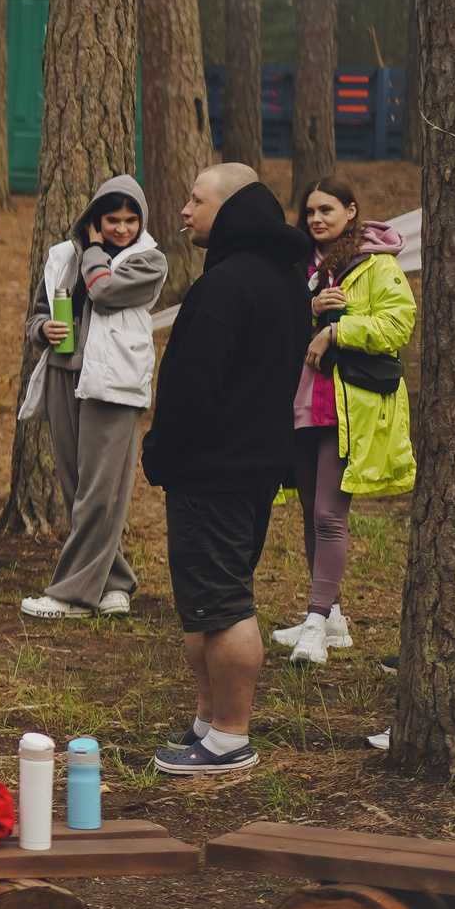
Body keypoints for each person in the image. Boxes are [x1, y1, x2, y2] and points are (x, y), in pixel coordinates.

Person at [141, 163, 309, 775]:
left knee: (225, 601)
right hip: (250, 466)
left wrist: (161, 451)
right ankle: (209, 721)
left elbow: (192, 390)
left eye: (196, 200)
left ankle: (230, 737)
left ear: (233, 210)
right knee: (207, 602)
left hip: (214, 469)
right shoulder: (284, 280)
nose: (184, 211)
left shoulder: (226, 286)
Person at [273, 177, 414, 666]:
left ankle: (315, 622)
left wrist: (337, 330)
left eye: (327, 209)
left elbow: (399, 323)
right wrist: (307, 309)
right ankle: (330, 618)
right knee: (312, 513)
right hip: (304, 404)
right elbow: (277, 323)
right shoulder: (299, 269)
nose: (317, 218)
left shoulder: (376, 264)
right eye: (310, 210)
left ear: (351, 212)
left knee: (330, 515)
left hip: (348, 406)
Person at [18, 176, 167, 621]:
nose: (122, 228)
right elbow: (37, 315)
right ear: (95, 219)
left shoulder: (149, 261)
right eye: (112, 219)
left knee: (100, 492)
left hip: (115, 383)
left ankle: (73, 595)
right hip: (66, 375)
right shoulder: (63, 257)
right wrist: (43, 330)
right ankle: (113, 582)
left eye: (130, 219)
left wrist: (95, 248)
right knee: (78, 487)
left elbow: (103, 292)